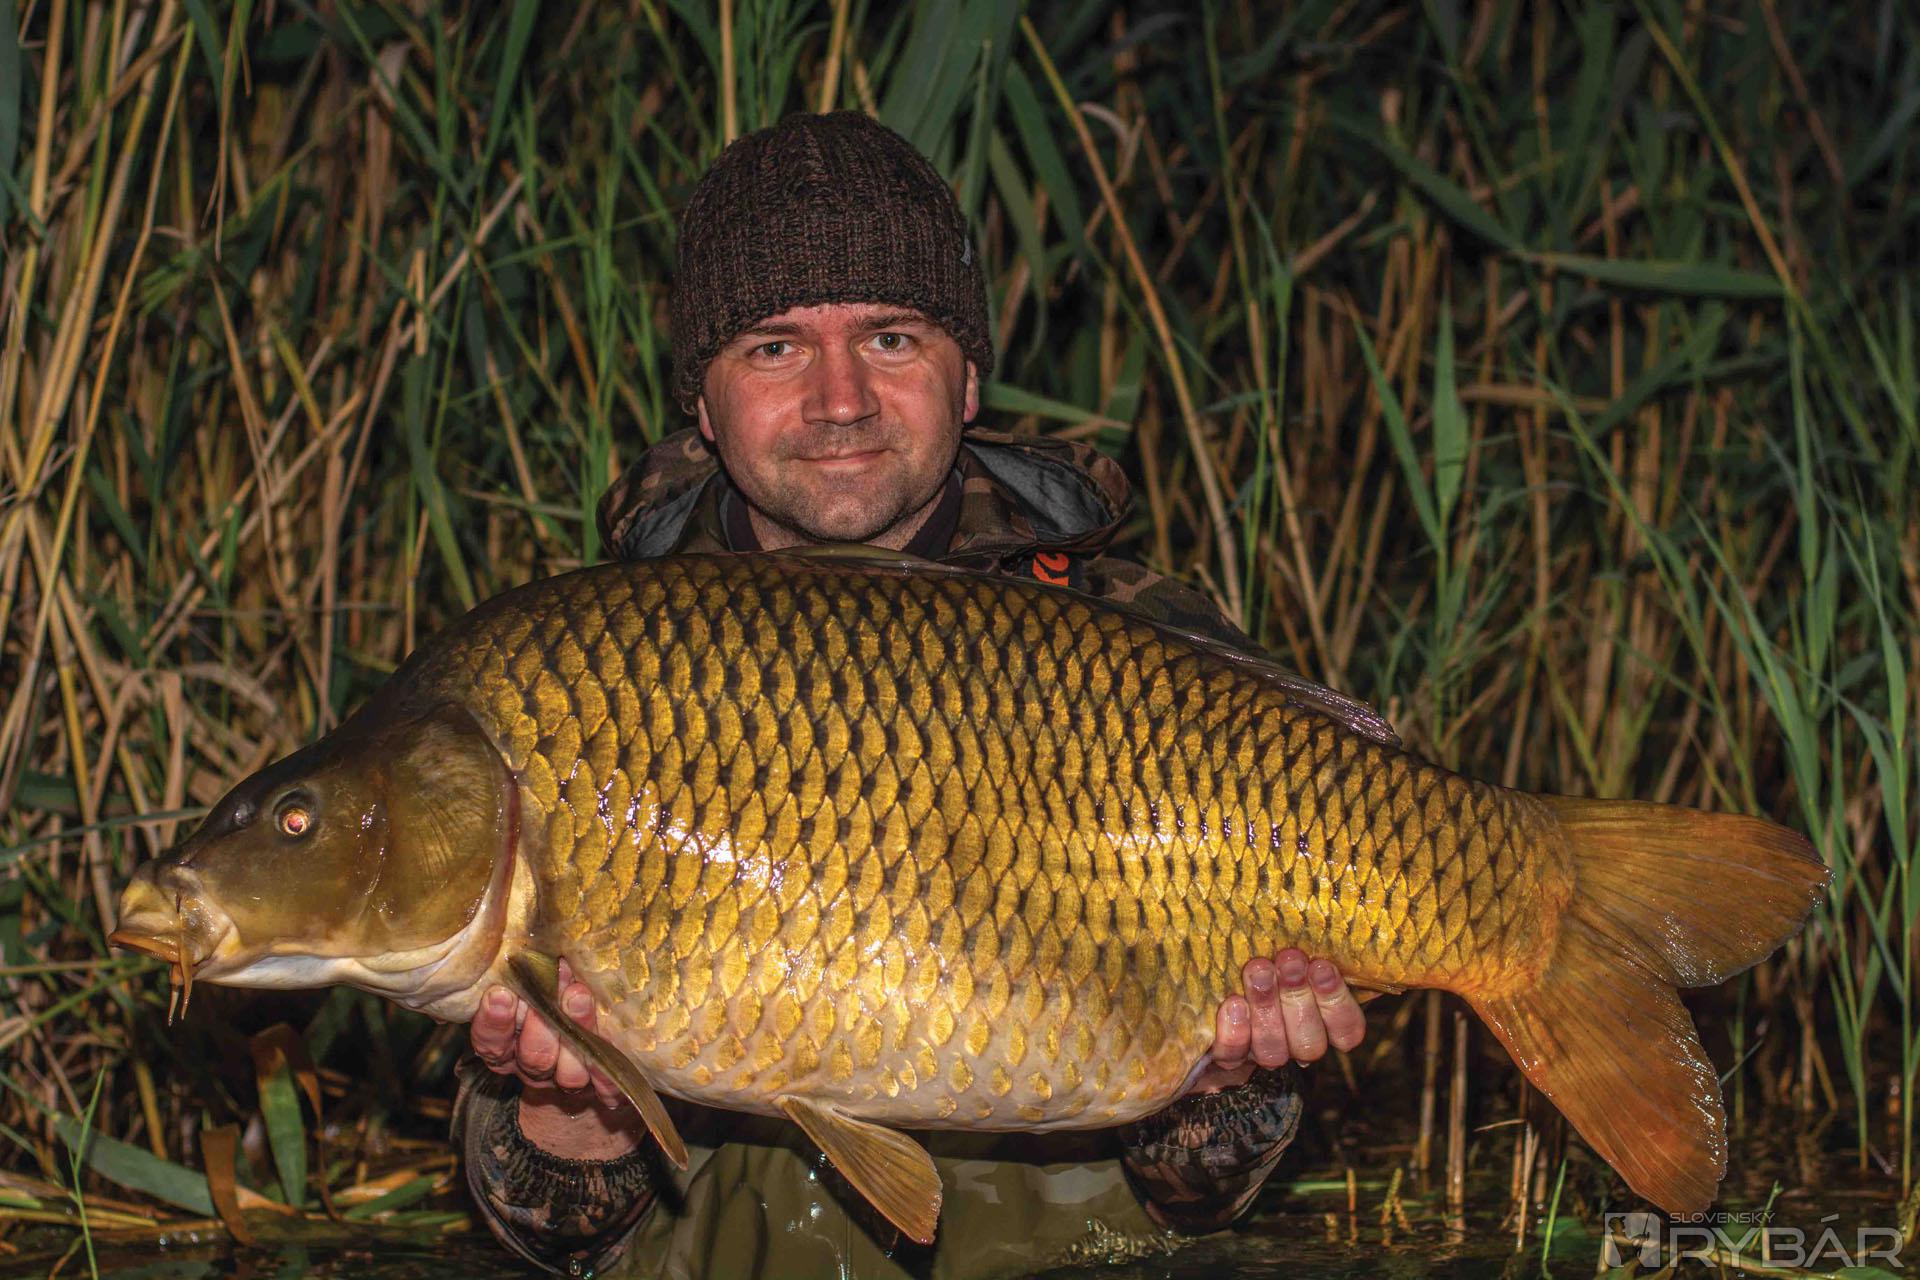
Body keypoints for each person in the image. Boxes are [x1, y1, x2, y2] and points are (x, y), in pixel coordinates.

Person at [452, 111, 1376, 1279]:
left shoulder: (1138, 642)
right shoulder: (595, 674)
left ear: (968, 372)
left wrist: (1227, 1080)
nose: (840, 400)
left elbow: (1203, 1196)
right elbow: (547, 1238)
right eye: (775, 348)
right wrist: (575, 1115)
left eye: (890, 338)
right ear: (704, 402)